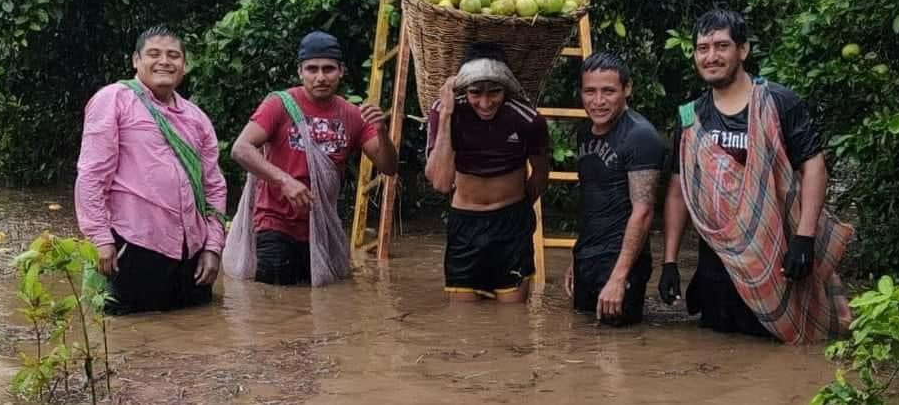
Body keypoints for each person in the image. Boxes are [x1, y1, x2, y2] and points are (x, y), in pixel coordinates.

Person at [658, 9, 853, 343]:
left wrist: (805, 238)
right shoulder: (690, 116)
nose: (711, 56)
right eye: (702, 48)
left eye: (721, 46)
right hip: (716, 268)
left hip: (777, 260)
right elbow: (679, 191)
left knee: (779, 345)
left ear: (743, 50)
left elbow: (814, 167)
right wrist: (670, 261)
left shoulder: (778, 102)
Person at [75, 27, 227, 315]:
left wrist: (213, 247)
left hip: (191, 253)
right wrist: (100, 238)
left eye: (173, 55)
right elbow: (92, 175)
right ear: (136, 60)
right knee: (128, 338)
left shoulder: (196, 118)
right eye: (154, 54)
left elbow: (214, 187)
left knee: (197, 338)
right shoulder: (114, 99)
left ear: (185, 64)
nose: (164, 62)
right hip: (133, 246)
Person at [230, 31, 397, 285]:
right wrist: (284, 180)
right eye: (312, 69)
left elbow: (388, 167)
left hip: (321, 228)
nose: (320, 77)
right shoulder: (280, 104)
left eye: (328, 69)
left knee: (321, 306)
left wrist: (382, 132)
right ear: (300, 72)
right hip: (274, 225)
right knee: (274, 309)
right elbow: (241, 148)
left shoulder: (353, 115)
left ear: (341, 71)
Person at [425, 44, 550, 303]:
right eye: (475, 92)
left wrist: (519, 212)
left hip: (511, 224)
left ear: (506, 88)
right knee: (463, 322)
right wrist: (447, 115)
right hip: (465, 224)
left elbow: (540, 174)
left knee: (514, 319)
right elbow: (440, 182)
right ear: (463, 90)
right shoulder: (444, 111)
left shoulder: (527, 118)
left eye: (494, 92)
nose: (485, 102)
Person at [564, 52, 666, 326]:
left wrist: (619, 277)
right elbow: (592, 201)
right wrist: (578, 256)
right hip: (588, 258)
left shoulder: (640, 136)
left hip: (618, 262)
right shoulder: (586, 131)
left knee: (617, 350)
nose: (598, 101)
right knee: (583, 346)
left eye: (608, 91)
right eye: (590, 91)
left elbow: (643, 212)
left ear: (627, 88)